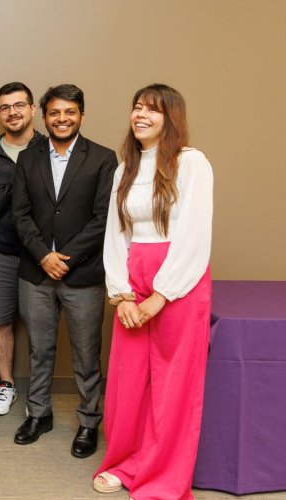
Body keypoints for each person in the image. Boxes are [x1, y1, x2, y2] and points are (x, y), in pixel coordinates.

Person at [93, 84, 213, 500]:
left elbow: (195, 233)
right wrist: (123, 294)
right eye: (137, 107)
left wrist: (161, 295)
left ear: (170, 117)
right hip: (134, 274)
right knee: (128, 381)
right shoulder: (123, 168)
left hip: (179, 279)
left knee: (173, 384)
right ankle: (124, 463)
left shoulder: (191, 163)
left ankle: (162, 477)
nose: (141, 115)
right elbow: (115, 235)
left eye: (152, 110)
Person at [11, 84, 117, 458]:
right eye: (54, 112)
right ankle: (39, 414)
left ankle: (89, 422)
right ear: (44, 117)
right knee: (39, 350)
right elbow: (20, 214)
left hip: (83, 275)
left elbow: (103, 218)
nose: (62, 119)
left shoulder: (103, 159)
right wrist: (44, 256)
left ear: (81, 115)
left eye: (70, 112)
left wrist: (66, 258)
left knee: (87, 355)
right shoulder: (28, 158)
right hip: (36, 272)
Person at [0, 82, 45, 416]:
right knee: (0, 321)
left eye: (19, 105)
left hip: (40, 255)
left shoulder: (49, 148)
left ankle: (39, 395)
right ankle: (6, 385)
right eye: (5, 107)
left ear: (32, 109)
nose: (12, 112)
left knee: (41, 324)